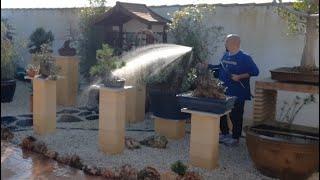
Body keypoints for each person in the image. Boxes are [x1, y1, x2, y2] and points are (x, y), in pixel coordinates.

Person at [205, 34, 259, 146]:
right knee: (222, 113)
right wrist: (208, 66)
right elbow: (220, 68)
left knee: (236, 115)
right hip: (222, 91)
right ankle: (224, 133)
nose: (225, 44)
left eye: (227, 42)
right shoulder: (225, 55)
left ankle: (235, 137)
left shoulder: (245, 57)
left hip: (238, 93)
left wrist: (240, 76)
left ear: (235, 43)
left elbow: (255, 71)